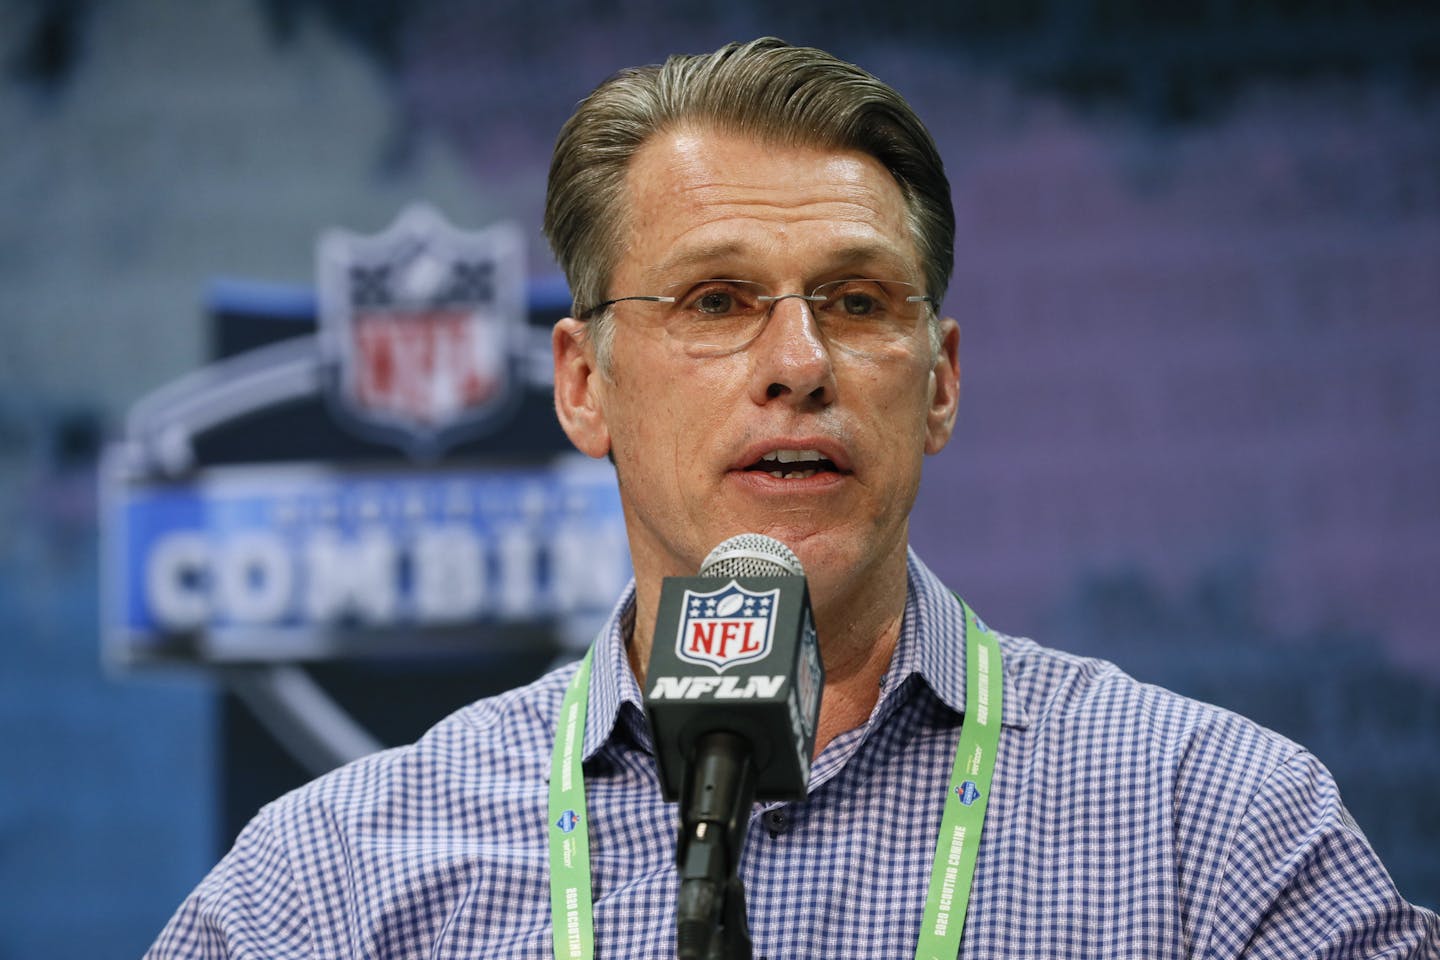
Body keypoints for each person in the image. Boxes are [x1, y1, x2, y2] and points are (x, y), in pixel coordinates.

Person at [148, 38, 1438, 959]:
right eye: (715, 302)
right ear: (583, 384)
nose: (799, 363)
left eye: (858, 303)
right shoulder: (328, 889)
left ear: (938, 384)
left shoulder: (1208, 834)